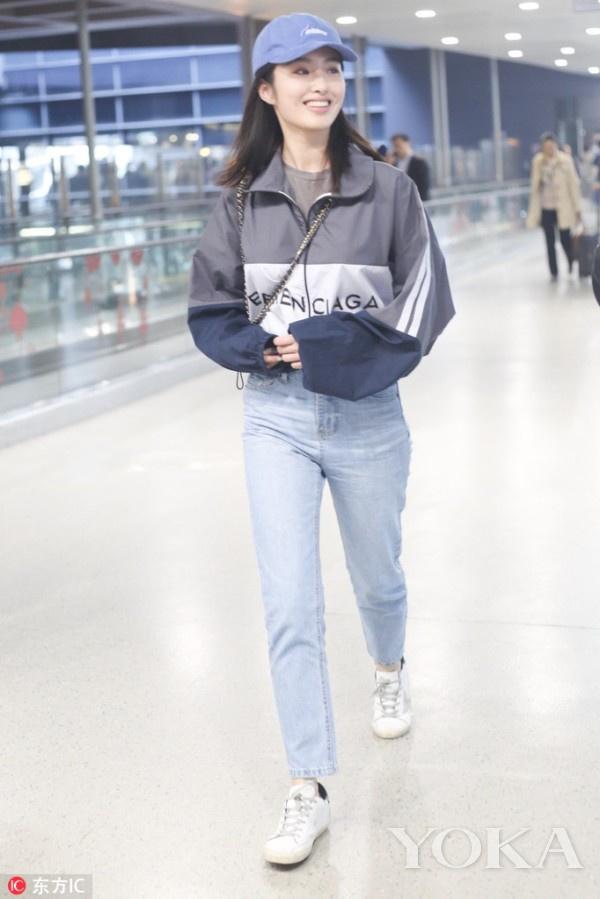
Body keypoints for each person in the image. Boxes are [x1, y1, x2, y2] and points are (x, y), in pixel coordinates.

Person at [187, 12, 455, 867]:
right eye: (299, 71)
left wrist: (325, 343)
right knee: (290, 601)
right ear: (267, 90)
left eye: (331, 68)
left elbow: (425, 304)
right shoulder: (240, 198)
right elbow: (209, 309)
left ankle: (388, 667)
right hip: (276, 418)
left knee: (378, 574)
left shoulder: (390, 190)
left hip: (369, 415)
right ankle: (307, 784)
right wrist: (260, 348)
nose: (320, 84)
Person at [526, 131, 582, 281]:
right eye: (546, 147)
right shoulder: (538, 162)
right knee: (549, 242)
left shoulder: (565, 161)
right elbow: (534, 186)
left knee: (565, 239)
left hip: (562, 207)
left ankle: (570, 260)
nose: (549, 149)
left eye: (551, 146)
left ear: (556, 145)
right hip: (546, 208)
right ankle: (554, 272)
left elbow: (573, 185)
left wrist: (577, 208)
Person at [390, 132, 430, 201]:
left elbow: (424, 187)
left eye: (398, 145)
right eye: (394, 146)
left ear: (407, 143)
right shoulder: (394, 164)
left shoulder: (420, 162)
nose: (396, 149)